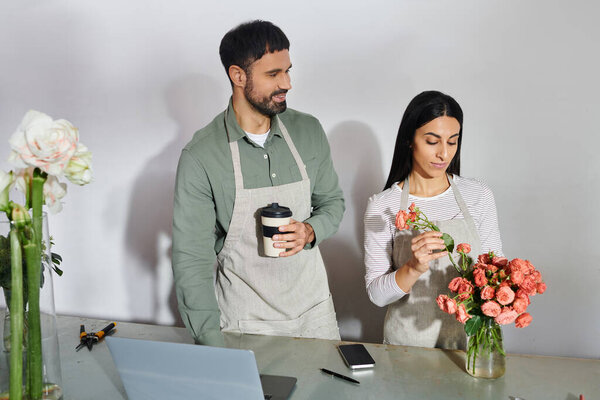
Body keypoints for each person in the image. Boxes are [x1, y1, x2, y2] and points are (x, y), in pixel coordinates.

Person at [172, 20, 344, 347]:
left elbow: (333, 203)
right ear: (238, 76)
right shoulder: (202, 155)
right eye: (273, 74)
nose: (287, 83)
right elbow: (190, 260)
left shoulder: (309, 132)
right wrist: (210, 341)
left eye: (287, 71)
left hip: (314, 317)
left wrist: (310, 230)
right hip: (243, 322)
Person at [363, 91, 502, 349]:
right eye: (432, 141)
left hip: (469, 346)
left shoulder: (479, 196)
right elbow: (377, 295)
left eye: (452, 142)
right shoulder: (382, 206)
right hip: (407, 348)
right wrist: (413, 267)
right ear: (409, 140)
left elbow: (496, 271)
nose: (443, 154)